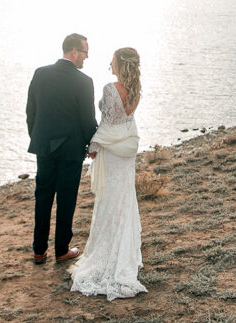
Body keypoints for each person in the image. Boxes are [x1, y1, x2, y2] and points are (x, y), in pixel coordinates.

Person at [69, 47, 147, 300]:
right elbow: (126, 121)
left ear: (120, 65)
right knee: (124, 198)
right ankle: (124, 253)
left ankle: (106, 257)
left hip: (112, 151)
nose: (109, 64)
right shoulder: (136, 89)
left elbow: (107, 122)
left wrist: (93, 144)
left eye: (112, 61)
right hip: (126, 149)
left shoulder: (110, 89)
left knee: (109, 199)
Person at [26, 33, 98, 265]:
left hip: (44, 147)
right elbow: (88, 120)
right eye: (85, 52)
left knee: (43, 197)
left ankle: (39, 251)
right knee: (66, 199)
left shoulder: (41, 73)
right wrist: (92, 144)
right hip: (70, 150)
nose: (86, 58)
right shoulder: (84, 82)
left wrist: (37, 138)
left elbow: (31, 112)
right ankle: (61, 250)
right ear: (74, 52)